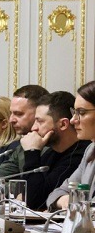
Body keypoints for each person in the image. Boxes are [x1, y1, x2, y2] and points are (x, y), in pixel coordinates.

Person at [18, 91, 87, 210]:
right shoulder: (51, 152)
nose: (33, 128)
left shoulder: (80, 156)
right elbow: (22, 193)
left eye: (40, 121)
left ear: (63, 124)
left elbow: (35, 202)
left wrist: (32, 152)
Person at [47, 81, 95, 209]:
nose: (73, 120)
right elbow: (57, 193)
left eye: (82, 112)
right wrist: (65, 200)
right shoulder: (90, 150)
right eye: (74, 112)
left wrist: (75, 202)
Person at [0, 85, 49, 179]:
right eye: (11, 113)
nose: (11, 120)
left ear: (39, 113)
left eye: (18, 114)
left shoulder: (52, 146)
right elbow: (2, 176)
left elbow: (33, 184)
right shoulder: (25, 142)